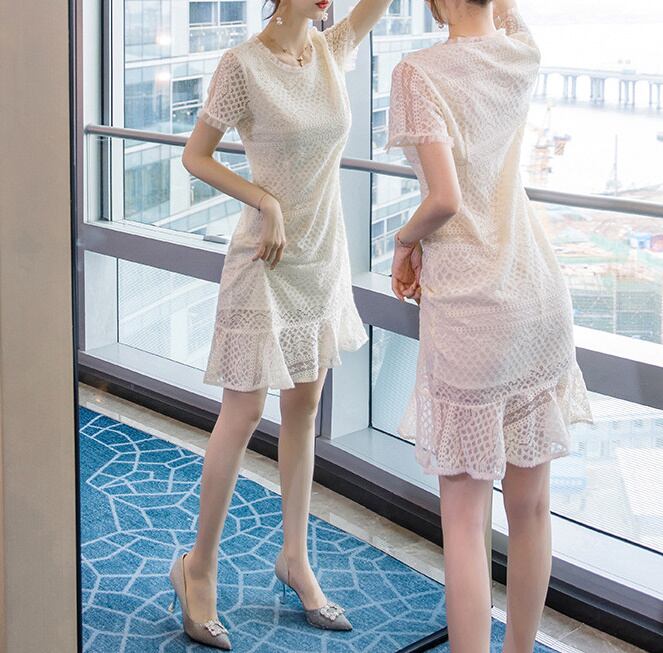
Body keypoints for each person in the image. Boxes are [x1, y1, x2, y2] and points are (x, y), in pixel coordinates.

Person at [167, 0, 394, 649]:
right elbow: (196, 156)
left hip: (322, 258)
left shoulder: (329, 48)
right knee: (241, 413)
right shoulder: (241, 65)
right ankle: (197, 568)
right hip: (264, 259)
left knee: (305, 407)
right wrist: (264, 199)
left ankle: (295, 558)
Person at [386, 1, 593, 651]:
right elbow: (506, 13)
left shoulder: (418, 73)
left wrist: (403, 242)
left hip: (473, 310)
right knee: (530, 509)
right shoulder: (519, 53)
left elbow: (443, 199)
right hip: (539, 301)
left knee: (464, 520)